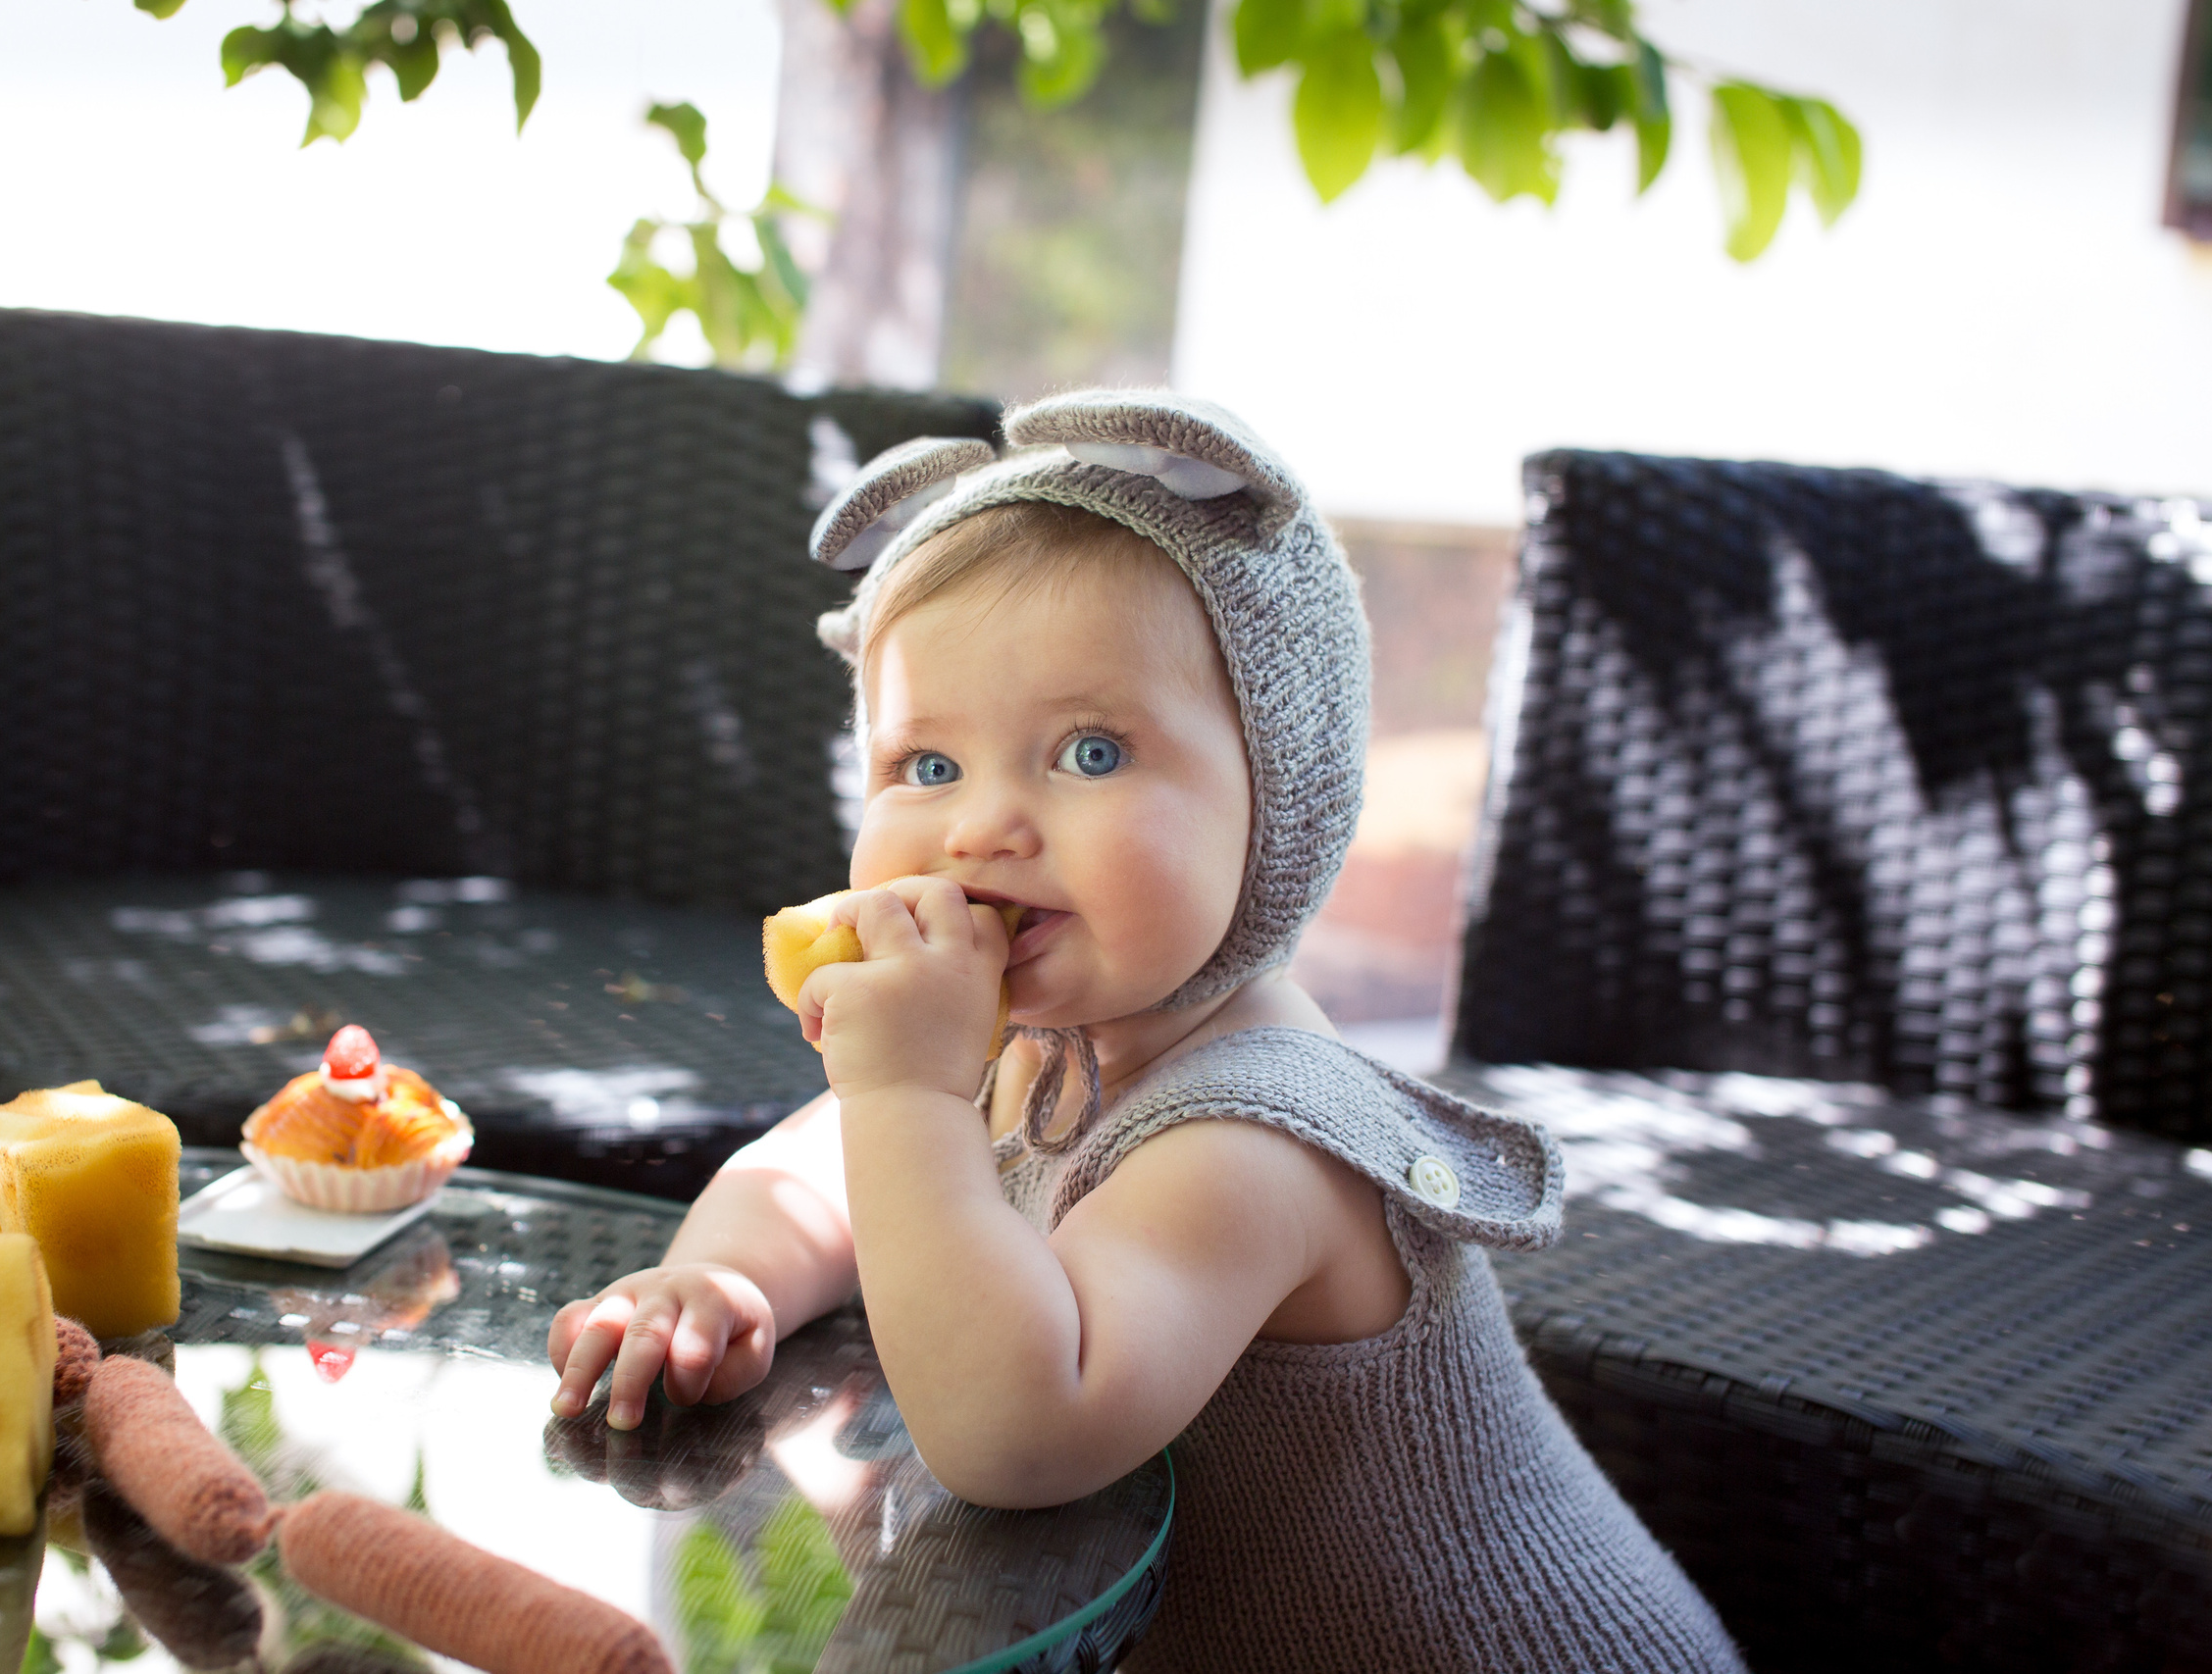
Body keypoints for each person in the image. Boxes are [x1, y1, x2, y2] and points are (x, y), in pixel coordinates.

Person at [547, 390, 1745, 1673]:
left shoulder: (1255, 1141)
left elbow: (1015, 1434)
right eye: (928, 767)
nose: (981, 829)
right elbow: (817, 1169)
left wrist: (911, 1098)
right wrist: (721, 1280)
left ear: (1275, 800)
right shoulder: (1043, 1045)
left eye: (1093, 752)